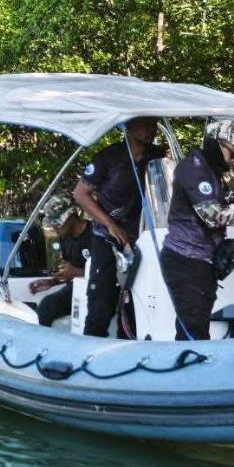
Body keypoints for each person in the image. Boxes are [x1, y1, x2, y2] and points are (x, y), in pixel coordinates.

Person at [160, 118, 234, 340]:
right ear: (215, 143)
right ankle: (191, 372)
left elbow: (223, 204)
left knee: (196, 325)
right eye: (232, 153)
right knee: (193, 330)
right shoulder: (193, 169)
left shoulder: (209, 172)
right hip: (185, 259)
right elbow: (214, 216)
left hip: (201, 262)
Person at [71, 116, 165, 337]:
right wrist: (110, 224)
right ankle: (91, 349)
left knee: (137, 299)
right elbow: (80, 194)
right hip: (106, 234)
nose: (150, 129)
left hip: (140, 236)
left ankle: (129, 347)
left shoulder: (157, 157)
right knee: (101, 302)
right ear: (129, 127)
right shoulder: (108, 157)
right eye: (144, 123)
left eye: (153, 124)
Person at [29, 194, 90, 328]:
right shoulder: (65, 239)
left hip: (95, 291)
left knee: (47, 305)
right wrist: (51, 282)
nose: (55, 229)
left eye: (57, 224)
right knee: (45, 307)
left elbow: (107, 273)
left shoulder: (95, 235)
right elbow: (69, 273)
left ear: (70, 218)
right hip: (74, 290)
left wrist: (77, 272)